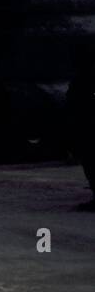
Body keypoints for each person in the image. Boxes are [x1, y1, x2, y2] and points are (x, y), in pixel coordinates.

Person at [65, 64, 95, 209]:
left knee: (90, 162)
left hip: (86, 126)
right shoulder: (84, 80)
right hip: (85, 125)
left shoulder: (82, 80)